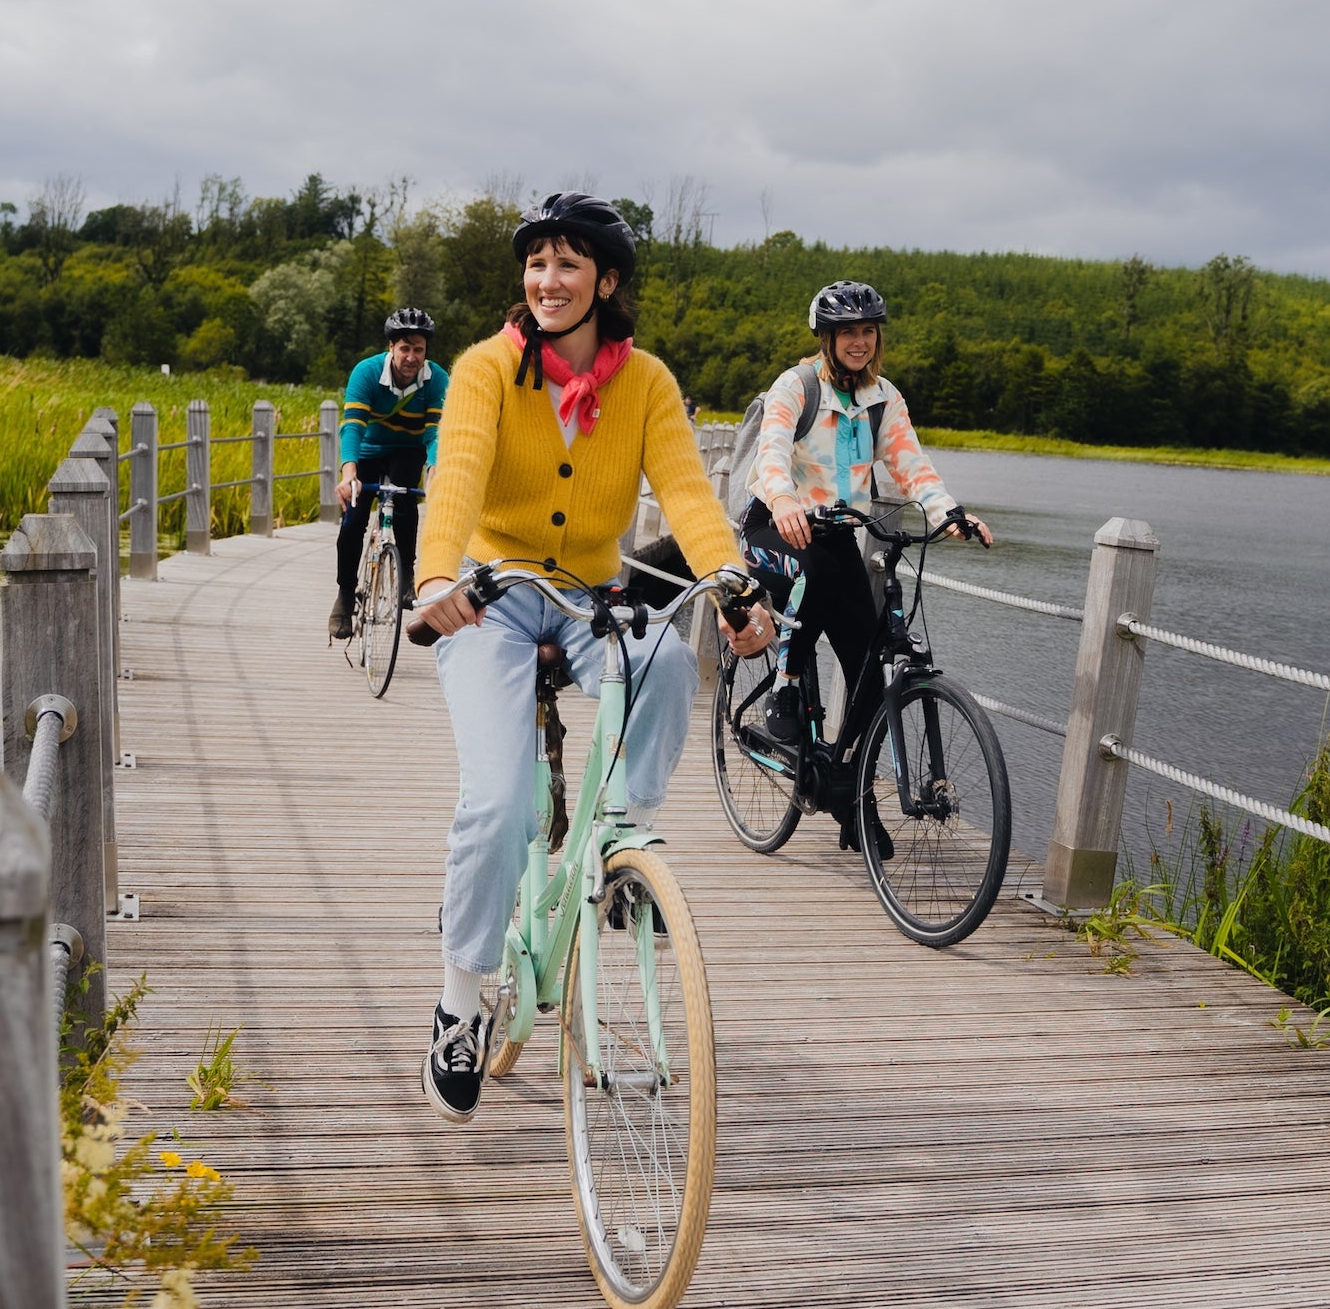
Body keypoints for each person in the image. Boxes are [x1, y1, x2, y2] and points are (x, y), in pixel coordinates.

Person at [409, 193, 770, 1123]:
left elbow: (688, 494)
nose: (548, 281)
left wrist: (732, 581)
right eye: (536, 264)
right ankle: (461, 1001)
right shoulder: (490, 368)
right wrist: (433, 580)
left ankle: (619, 836)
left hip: (589, 593)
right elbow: (456, 475)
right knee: (492, 802)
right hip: (489, 594)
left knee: (657, 657)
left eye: (569, 265)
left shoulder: (645, 381)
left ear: (606, 281)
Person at [742, 279, 992, 846]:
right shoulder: (797, 386)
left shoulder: (884, 399)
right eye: (847, 332)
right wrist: (783, 500)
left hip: (836, 538)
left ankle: (851, 798)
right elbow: (773, 452)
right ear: (827, 338)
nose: (859, 342)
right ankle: (783, 688)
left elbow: (912, 464)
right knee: (816, 572)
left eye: (867, 331)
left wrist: (948, 511)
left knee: (871, 672)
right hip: (774, 529)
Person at [330, 308, 446, 639]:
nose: (412, 357)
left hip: (408, 449)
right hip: (368, 448)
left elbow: (435, 432)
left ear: (427, 352)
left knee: (406, 502)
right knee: (353, 518)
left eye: (419, 350)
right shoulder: (366, 373)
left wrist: (434, 469)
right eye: (405, 348)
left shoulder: (437, 379)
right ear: (391, 348)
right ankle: (344, 595)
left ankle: (406, 575)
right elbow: (352, 426)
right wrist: (349, 471)